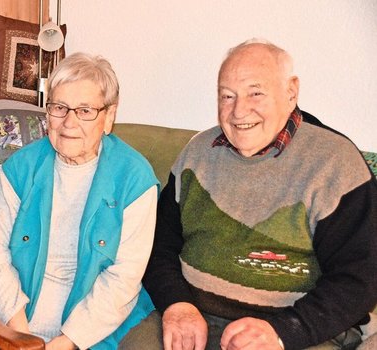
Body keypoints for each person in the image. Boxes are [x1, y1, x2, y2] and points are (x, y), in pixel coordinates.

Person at [143, 39, 377, 350]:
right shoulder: (197, 154)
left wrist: (282, 332)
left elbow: (360, 279)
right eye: (227, 96)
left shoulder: (335, 163)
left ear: (291, 92)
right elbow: (159, 245)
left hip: (299, 329)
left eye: (256, 93)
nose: (239, 111)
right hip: (194, 317)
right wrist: (176, 304)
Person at [0, 52, 159, 349]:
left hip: (93, 329)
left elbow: (124, 277)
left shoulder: (135, 178)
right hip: (14, 319)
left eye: (85, 110)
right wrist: (20, 334)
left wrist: (68, 341)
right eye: (59, 107)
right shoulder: (19, 168)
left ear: (109, 117)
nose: (68, 122)